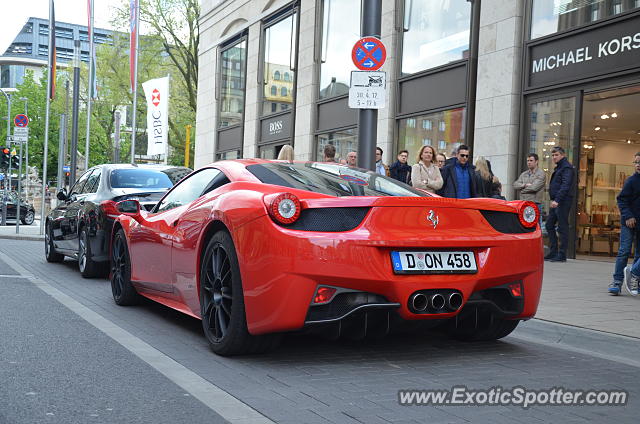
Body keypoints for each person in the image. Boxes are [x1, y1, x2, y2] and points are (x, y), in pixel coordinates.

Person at [609, 152, 640, 295]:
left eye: (639, 162)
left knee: (638, 254)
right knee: (624, 251)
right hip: (628, 222)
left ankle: (635, 280)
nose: (637, 165)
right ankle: (617, 281)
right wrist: (628, 216)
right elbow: (621, 199)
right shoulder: (631, 181)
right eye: (636, 162)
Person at [545, 146, 574, 263]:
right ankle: (553, 252)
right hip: (556, 201)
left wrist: (557, 200)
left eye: (556, 155)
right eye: (552, 155)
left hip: (562, 201)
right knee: (549, 225)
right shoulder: (560, 167)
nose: (554, 157)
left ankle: (561, 254)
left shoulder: (567, 167)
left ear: (562, 155)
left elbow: (565, 185)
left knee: (562, 227)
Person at [513, 153, 546, 220]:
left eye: (531, 160)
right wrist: (524, 185)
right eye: (528, 160)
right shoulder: (524, 174)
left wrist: (521, 190)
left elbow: (534, 188)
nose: (529, 162)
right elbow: (515, 185)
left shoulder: (541, 174)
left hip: (534, 204)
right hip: (523, 204)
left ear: (536, 162)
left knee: (536, 226)